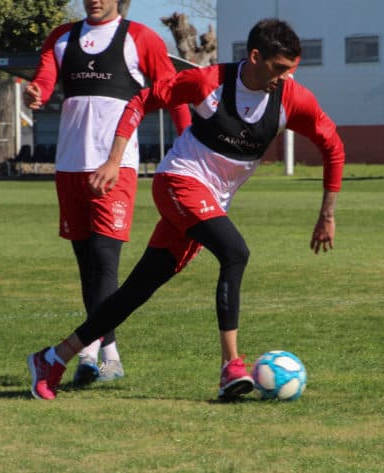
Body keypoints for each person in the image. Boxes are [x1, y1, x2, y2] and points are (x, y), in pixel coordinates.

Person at [27, 18, 345, 401]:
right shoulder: (208, 81)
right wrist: (114, 160)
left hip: (210, 200)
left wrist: (326, 213)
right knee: (235, 252)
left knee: (136, 290)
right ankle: (231, 367)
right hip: (178, 182)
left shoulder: (291, 98)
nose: (285, 78)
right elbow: (142, 99)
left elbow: (333, 146)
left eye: (291, 70)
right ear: (256, 56)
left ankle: (53, 358)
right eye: (279, 68)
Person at [23, 0, 191, 389]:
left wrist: (185, 143)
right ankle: (104, 354)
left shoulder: (141, 38)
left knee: (105, 260)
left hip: (115, 166)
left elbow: (173, 92)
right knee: (87, 266)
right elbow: (44, 80)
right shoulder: (62, 37)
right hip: (68, 167)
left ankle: (91, 354)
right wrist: (36, 92)